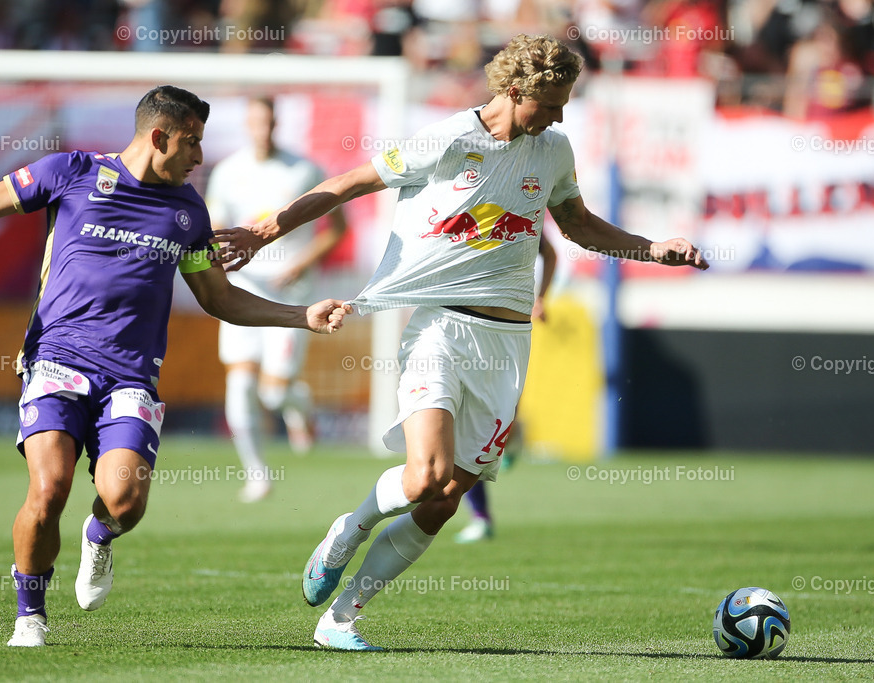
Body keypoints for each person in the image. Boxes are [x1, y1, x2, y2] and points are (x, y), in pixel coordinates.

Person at [214, 33, 708, 651]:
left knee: (445, 500)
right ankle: (348, 529)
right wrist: (264, 232)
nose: (559, 117)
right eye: (551, 104)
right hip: (441, 329)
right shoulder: (450, 138)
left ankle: (341, 618)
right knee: (426, 475)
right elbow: (347, 184)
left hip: (507, 345)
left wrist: (652, 248)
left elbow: (578, 226)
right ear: (516, 90)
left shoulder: (553, 149)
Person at [0, 85, 350, 648]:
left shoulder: (187, 212)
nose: (199, 157)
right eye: (191, 142)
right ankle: (30, 617)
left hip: (130, 376)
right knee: (49, 489)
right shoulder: (70, 172)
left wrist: (301, 317)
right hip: (56, 359)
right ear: (159, 136)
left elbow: (219, 298)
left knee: (125, 502)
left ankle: (98, 535)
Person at [206, 96, 348, 503]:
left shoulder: (304, 170)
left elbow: (337, 229)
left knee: (273, 392)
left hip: (291, 295)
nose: (262, 130)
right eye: (255, 122)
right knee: (239, 385)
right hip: (243, 290)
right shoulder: (228, 172)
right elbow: (215, 229)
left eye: (268, 122)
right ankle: (257, 475)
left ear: (276, 124)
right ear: (247, 124)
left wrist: (301, 264)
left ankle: (299, 406)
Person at [454, 230, 556, 544]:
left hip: (504, 328)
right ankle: (480, 517)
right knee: (464, 426)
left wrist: (541, 298)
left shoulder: (518, 211)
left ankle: (511, 434)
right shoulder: (453, 215)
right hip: (457, 327)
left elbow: (550, 253)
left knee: (494, 414)